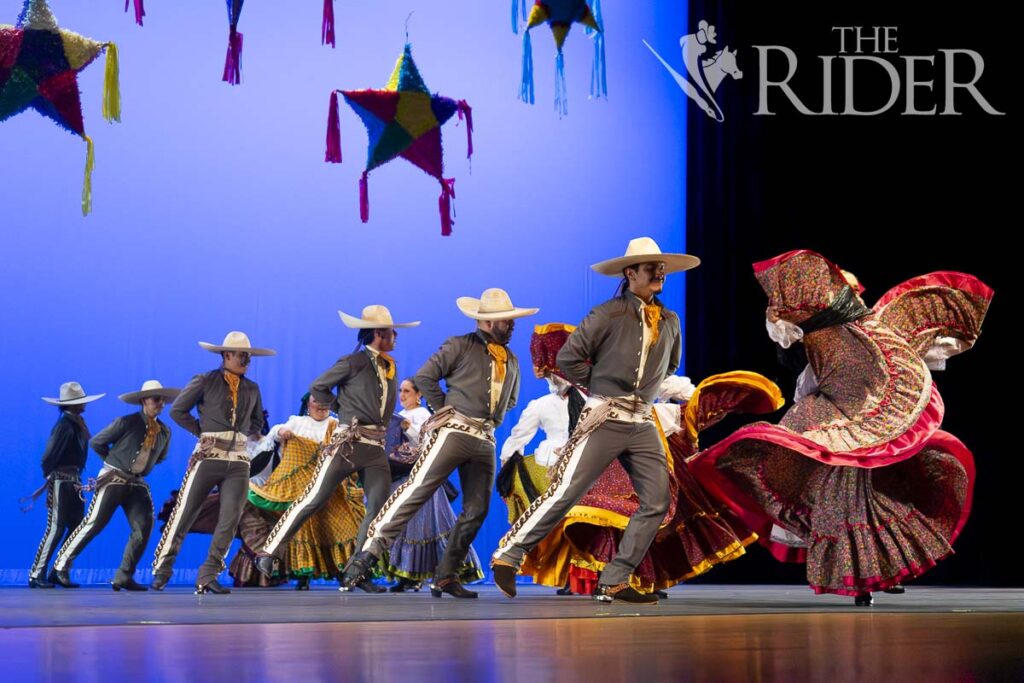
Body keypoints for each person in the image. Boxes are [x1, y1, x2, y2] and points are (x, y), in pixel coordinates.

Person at [691, 250, 992, 605]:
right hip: (839, 428)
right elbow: (810, 392)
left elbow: (893, 363)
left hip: (864, 426)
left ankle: (872, 576)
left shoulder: (870, 337)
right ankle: (866, 579)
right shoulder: (824, 352)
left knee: (860, 503)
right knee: (847, 502)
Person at [491, 236, 697, 604]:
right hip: (605, 416)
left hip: (642, 420)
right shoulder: (607, 313)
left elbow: (670, 364)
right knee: (567, 490)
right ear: (630, 273)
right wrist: (602, 388)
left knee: (657, 500)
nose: (659, 273)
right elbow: (569, 360)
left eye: (661, 267)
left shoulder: (669, 319)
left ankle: (615, 579)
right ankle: (509, 553)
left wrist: (645, 390)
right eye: (651, 267)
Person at [343, 288, 538, 599]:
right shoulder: (460, 345)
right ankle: (365, 557)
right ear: (486, 322)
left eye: (512, 320)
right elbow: (426, 377)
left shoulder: (511, 360)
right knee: (415, 491)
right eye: (505, 321)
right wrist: (445, 409)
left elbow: (511, 399)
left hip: (484, 438)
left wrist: (489, 417)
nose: (512, 325)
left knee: (477, 509)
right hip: (453, 433)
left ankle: (445, 576)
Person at [153, 331, 273, 594]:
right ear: (226, 355)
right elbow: (178, 410)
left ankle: (208, 573)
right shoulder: (205, 380)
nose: (246, 360)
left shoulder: (252, 388)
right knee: (184, 512)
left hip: (239, 461)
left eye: (248, 356)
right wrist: (203, 432)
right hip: (208, 457)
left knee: (230, 519)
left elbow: (257, 421)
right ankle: (162, 569)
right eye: (241, 355)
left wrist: (242, 434)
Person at [51, 381, 180, 591]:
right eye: (156, 399)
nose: (160, 403)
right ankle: (61, 566)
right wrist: (114, 463)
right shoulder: (126, 422)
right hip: (113, 479)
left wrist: (137, 468)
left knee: (143, 527)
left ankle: (124, 576)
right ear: (143, 401)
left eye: (162, 399)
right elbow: (97, 442)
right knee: (94, 523)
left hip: (136, 482)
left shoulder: (165, 431)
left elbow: (160, 457)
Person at [29, 382, 105, 588]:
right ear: (73, 405)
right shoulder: (64, 425)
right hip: (62, 480)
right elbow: (49, 455)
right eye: (80, 402)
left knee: (75, 527)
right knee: (56, 526)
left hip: (74, 480)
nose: (84, 405)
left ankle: (58, 570)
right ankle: (37, 573)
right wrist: (51, 474)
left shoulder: (78, 423)